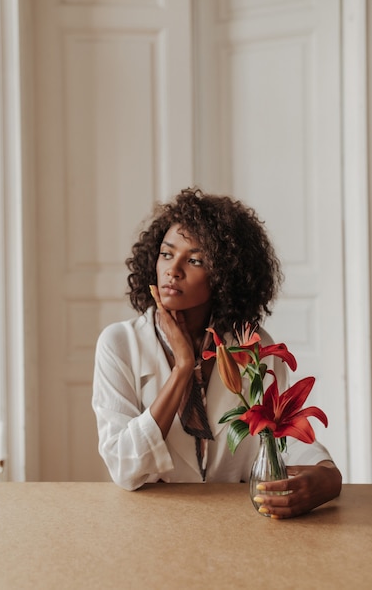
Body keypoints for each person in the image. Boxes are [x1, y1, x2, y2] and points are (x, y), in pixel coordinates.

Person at [92, 188, 342, 518]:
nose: (173, 270)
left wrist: (328, 476)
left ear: (225, 276)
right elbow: (125, 467)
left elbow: (279, 436)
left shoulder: (252, 347)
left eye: (194, 260)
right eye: (167, 254)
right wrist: (183, 368)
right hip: (150, 525)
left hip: (235, 522)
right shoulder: (119, 344)